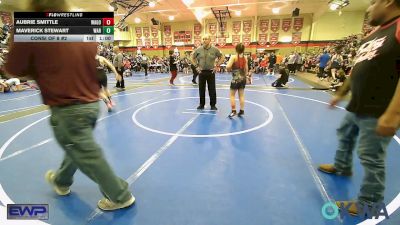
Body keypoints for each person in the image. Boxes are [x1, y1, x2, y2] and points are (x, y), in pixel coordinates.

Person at [4, 0, 135, 212]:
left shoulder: (31, 27)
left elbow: (13, 69)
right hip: (92, 103)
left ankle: (120, 195)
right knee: (77, 145)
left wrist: (17, 36)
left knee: (86, 153)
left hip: (68, 108)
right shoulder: (82, 25)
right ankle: (61, 181)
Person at [318, 0, 400, 216]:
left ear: (388, 2)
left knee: (370, 156)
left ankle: (370, 203)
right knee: (344, 135)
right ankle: (342, 166)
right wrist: (341, 93)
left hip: (379, 108)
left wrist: (394, 113)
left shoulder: (399, 28)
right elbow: (357, 69)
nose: (369, 9)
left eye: (373, 4)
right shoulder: (372, 35)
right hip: (357, 105)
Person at [192, 34, 224, 110]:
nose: (204, 40)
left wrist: (217, 66)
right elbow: (192, 58)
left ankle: (213, 105)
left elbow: (222, 57)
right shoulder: (198, 49)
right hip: (201, 72)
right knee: (201, 89)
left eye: (206, 39)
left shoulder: (215, 49)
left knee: (212, 89)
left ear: (210, 40)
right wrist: (196, 66)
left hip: (211, 72)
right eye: (203, 39)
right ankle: (201, 104)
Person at [226, 43, 248, 118]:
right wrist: (246, 77)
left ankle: (233, 111)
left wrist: (229, 70)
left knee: (232, 95)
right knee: (241, 95)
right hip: (243, 79)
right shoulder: (245, 57)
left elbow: (228, 66)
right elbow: (246, 69)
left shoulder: (233, 57)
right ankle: (242, 110)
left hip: (235, 79)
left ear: (236, 49)